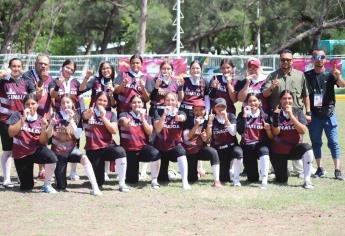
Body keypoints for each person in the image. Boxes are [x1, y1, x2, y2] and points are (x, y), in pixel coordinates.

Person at [263, 49, 311, 177]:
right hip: (278, 115)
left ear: (292, 61)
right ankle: (276, 168)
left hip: (296, 114)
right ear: (280, 60)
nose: (285, 62)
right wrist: (272, 87)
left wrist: (309, 112)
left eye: (288, 60)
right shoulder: (273, 76)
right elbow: (265, 94)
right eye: (283, 59)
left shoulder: (300, 75)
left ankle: (299, 170)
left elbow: (305, 95)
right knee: (277, 140)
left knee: (297, 141)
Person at [48, 95, 102, 195]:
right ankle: (58, 177)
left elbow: (77, 136)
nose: (65, 105)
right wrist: (51, 124)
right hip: (58, 152)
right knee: (61, 186)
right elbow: (48, 135)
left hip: (71, 150)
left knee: (84, 158)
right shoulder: (55, 115)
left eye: (68, 102)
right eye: (63, 103)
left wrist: (72, 120)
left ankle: (95, 188)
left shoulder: (77, 116)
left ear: (73, 103)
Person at [305, 49, 345, 180]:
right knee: (316, 143)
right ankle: (320, 168)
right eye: (316, 56)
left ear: (325, 59)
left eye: (322, 56)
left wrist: (338, 76)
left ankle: (337, 170)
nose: (319, 59)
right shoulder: (307, 75)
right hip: (314, 116)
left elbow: (342, 85)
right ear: (312, 59)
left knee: (333, 142)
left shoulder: (330, 75)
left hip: (329, 114)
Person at [50, 59, 93, 181]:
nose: (69, 70)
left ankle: (73, 171)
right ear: (62, 67)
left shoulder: (74, 82)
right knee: (58, 142)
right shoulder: (55, 80)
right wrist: (58, 85)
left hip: (75, 115)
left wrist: (86, 78)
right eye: (67, 67)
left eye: (72, 69)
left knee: (76, 141)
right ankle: (54, 169)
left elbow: (81, 90)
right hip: (60, 117)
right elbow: (52, 95)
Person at [7, 94, 57, 192]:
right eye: (27, 104)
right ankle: (27, 180)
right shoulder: (17, 115)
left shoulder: (40, 119)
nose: (30, 106)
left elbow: (43, 141)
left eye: (33, 103)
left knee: (52, 157)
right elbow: (10, 133)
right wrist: (23, 119)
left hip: (35, 151)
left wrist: (43, 128)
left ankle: (47, 185)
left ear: (37, 105)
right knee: (27, 187)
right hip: (21, 155)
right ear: (23, 105)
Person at [82, 92, 129, 192]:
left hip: (107, 147)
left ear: (107, 103)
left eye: (105, 101)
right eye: (100, 100)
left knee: (120, 151)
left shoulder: (111, 114)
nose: (102, 102)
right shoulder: (89, 111)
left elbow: (114, 130)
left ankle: (122, 184)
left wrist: (103, 117)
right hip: (93, 149)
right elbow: (85, 116)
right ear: (95, 100)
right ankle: (99, 176)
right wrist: (88, 115)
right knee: (99, 182)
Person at [0, 58, 35, 187]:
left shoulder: (27, 82)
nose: (16, 68)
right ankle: (7, 179)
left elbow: (33, 99)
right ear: (10, 67)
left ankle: (22, 177)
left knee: (22, 150)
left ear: (22, 67)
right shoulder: (3, 81)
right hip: (5, 121)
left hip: (23, 121)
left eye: (19, 66)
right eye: (14, 66)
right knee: (8, 151)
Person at [79, 61, 117, 180]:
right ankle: (96, 168)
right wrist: (86, 77)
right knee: (94, 140)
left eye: (108, 68)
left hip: (107, 114)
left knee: (107, 141)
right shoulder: (95, 80)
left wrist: (111, 95)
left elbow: (115, 104)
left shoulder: (114, 83)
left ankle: (105, 171)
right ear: (100, 70)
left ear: (112, 70)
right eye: (103, 68)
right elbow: (81, 89)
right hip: (93, 113)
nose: (106, 70)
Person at [270, 90, 314, 189]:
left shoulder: (298, 112)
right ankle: (283, 171)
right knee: (281, 180)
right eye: (284, 98)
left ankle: (307, 181)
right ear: (280, 100)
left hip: (294, 149)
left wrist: (291, 116)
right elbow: (275, 132)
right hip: (279, 151)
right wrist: (276, 117)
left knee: (307, 148)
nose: (287, 101)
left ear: (293, 100)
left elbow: (303, 131)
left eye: (289, 98)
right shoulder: (276, 112)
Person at [118, 95, 161, 188]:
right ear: (130, 104)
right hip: (129, 150)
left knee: (155, 153)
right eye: (134, 102)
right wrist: (126, 122)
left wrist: (142, 118)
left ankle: (154, 180)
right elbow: (122, 121)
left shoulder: (146, 116)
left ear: (143, 104)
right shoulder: (124, 114)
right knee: (132, 181)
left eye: (139, 102)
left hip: (142, 149)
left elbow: (149, 132)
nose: (136, 104)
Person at [22, 54, 54, 181]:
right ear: (35, 64)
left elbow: (51, 95)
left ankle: (42, 170)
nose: (43, 66)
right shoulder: (28, 75)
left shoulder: (50, 78)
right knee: (29, 142)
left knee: (44, 142)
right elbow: (33, 96)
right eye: (41, 63)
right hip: (31, 115)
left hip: (45, 114)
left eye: (46, 64)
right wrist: (41, 81)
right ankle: (26, 172)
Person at [178, 60, 210, 177]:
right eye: (193, 68)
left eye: (197, 68)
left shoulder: (204, 82)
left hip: (198, 112)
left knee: (197, 138)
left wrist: (206, 114)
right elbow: (179, 99)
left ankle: (199, 167)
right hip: (186, 112)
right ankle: (185, 165)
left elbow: (206, 99)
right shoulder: (185, 81)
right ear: (189, 70)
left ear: (201, 70)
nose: (195, 70)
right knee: (185, 138)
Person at [154, 92, 190, 189]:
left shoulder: (180, 111)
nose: (170, 102)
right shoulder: (159, 111)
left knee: (181, 152)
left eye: (172, 100)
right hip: (161, 147)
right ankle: (169, 173)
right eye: (168, 100)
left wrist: (181, 118)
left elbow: (183, 117)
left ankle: (184, 181)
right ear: (164, 101)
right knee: (162, 179)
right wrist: (164, 115)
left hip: (174, 147)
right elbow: (158, 129)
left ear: (177, 101)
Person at [182, 100, 222, 187]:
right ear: (193, 111)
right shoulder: (188, 120)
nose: (199, 112)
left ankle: (216, 181)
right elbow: (187, 137)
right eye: (196, 110)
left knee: (213, 152)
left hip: (200, 149)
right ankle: (195, 173)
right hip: (190, 150)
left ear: (205, 111)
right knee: (192, 179)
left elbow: (207, 141)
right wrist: (196, 125)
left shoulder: (207, 121)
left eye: (201, 110)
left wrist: (209, 125)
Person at [237, 93, 272, 188]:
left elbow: (271, 137)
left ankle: (265, 178)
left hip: (260, 145)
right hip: (247, 147)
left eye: (255, 100)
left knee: (264, 150)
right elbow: (240, 131)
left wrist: (268, 129)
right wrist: (244, 116)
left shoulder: (265, 116)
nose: (252, 103)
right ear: (246, 103)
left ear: (259, 102)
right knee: (252, 178)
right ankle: (255, 173)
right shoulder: (242, 114)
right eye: (250, 101)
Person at [210, 98, 243, 186]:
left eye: (223, 106)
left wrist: (225, 118)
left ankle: (236, 180)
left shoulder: (231, 116)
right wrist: (209, 122)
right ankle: (230, 170)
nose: (220, 108)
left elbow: (233, 133)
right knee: (224, 179)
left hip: (231, 147)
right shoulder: (212, 119)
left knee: (238, 152)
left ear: (226, 108)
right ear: (214, 108)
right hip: (220, 150)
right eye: (218, 106)